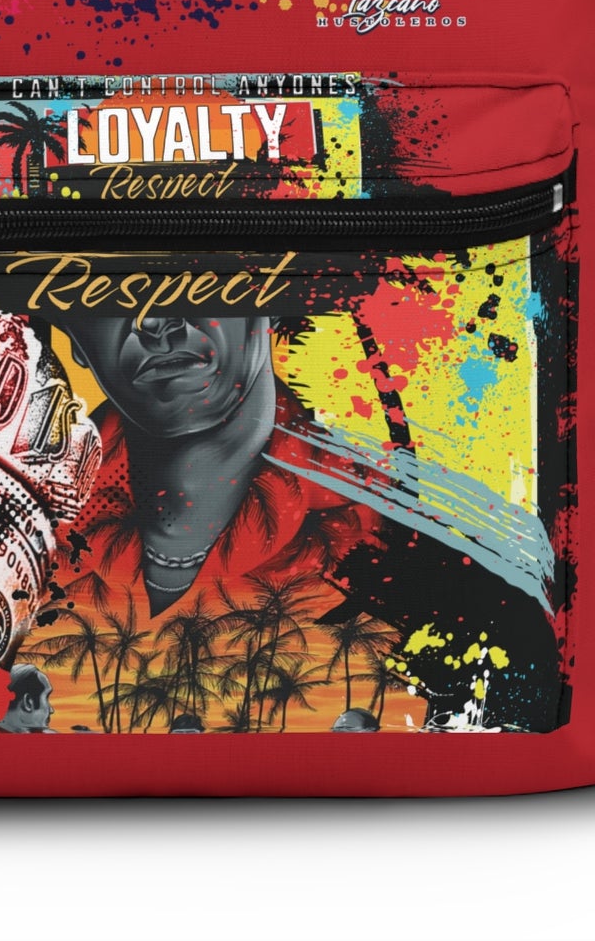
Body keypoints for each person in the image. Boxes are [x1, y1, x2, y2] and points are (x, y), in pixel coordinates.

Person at [39, 308, 560, 734]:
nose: (155, 321)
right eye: (106, 292)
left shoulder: (421, 552)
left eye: (202, 278)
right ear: (75, 339)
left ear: (270, 303)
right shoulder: (22, 542)